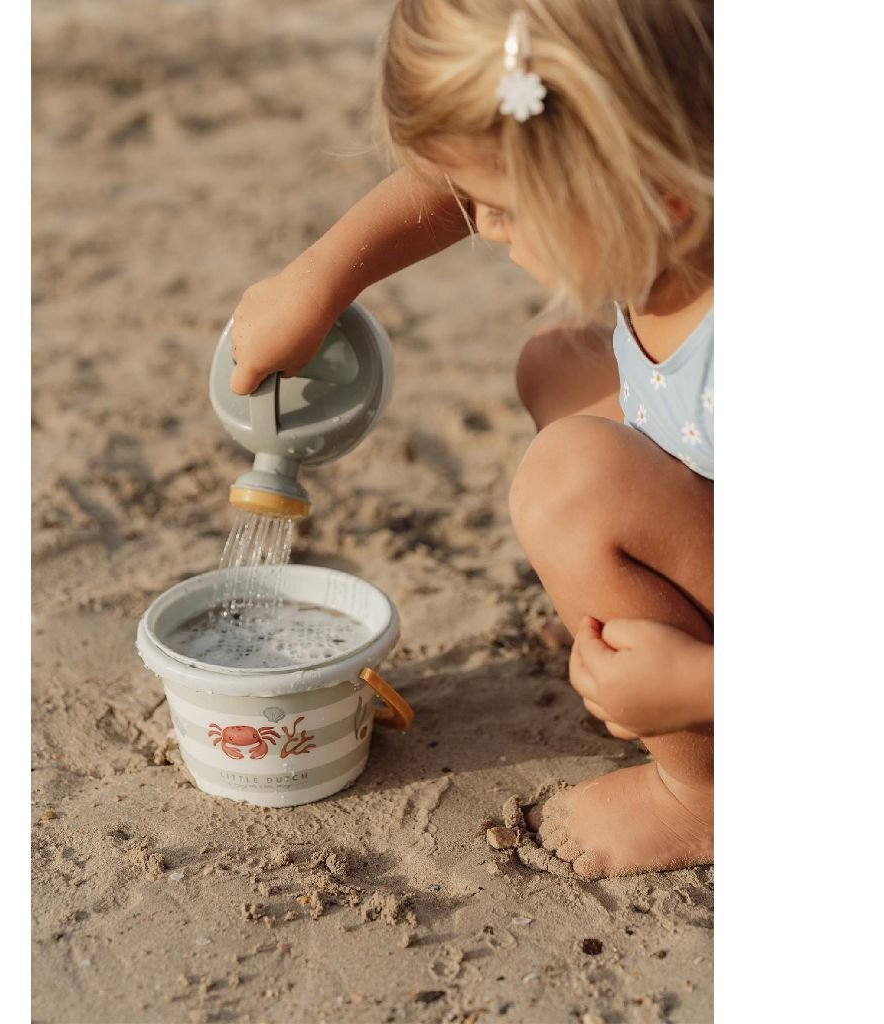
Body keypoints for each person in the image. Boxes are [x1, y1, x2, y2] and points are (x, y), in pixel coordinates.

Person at [228, 0, 713, 879]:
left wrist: (697, 684)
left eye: (504, 210)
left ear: (661, 200)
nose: (482, 228)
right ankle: (656, 611)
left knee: (571, 483)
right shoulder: (672, 191)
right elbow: (454, 176)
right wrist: (318, 280)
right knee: (558, 364)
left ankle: (708, 795)